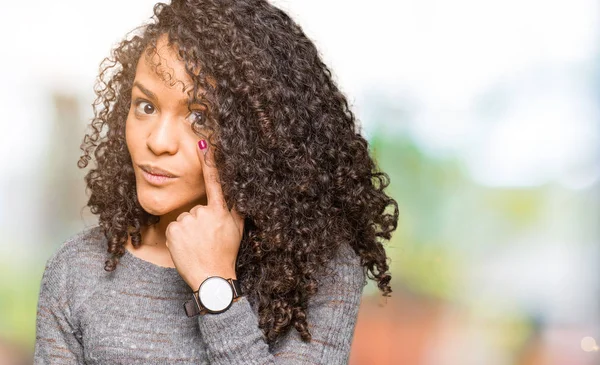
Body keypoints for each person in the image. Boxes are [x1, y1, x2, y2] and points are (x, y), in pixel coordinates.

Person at [33, 0, 398, 363]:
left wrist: (216, 287)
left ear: (260, 132)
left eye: (199, 116)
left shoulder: (320, 272)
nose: (158, 142)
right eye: (145, 106)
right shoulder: (76, 271)